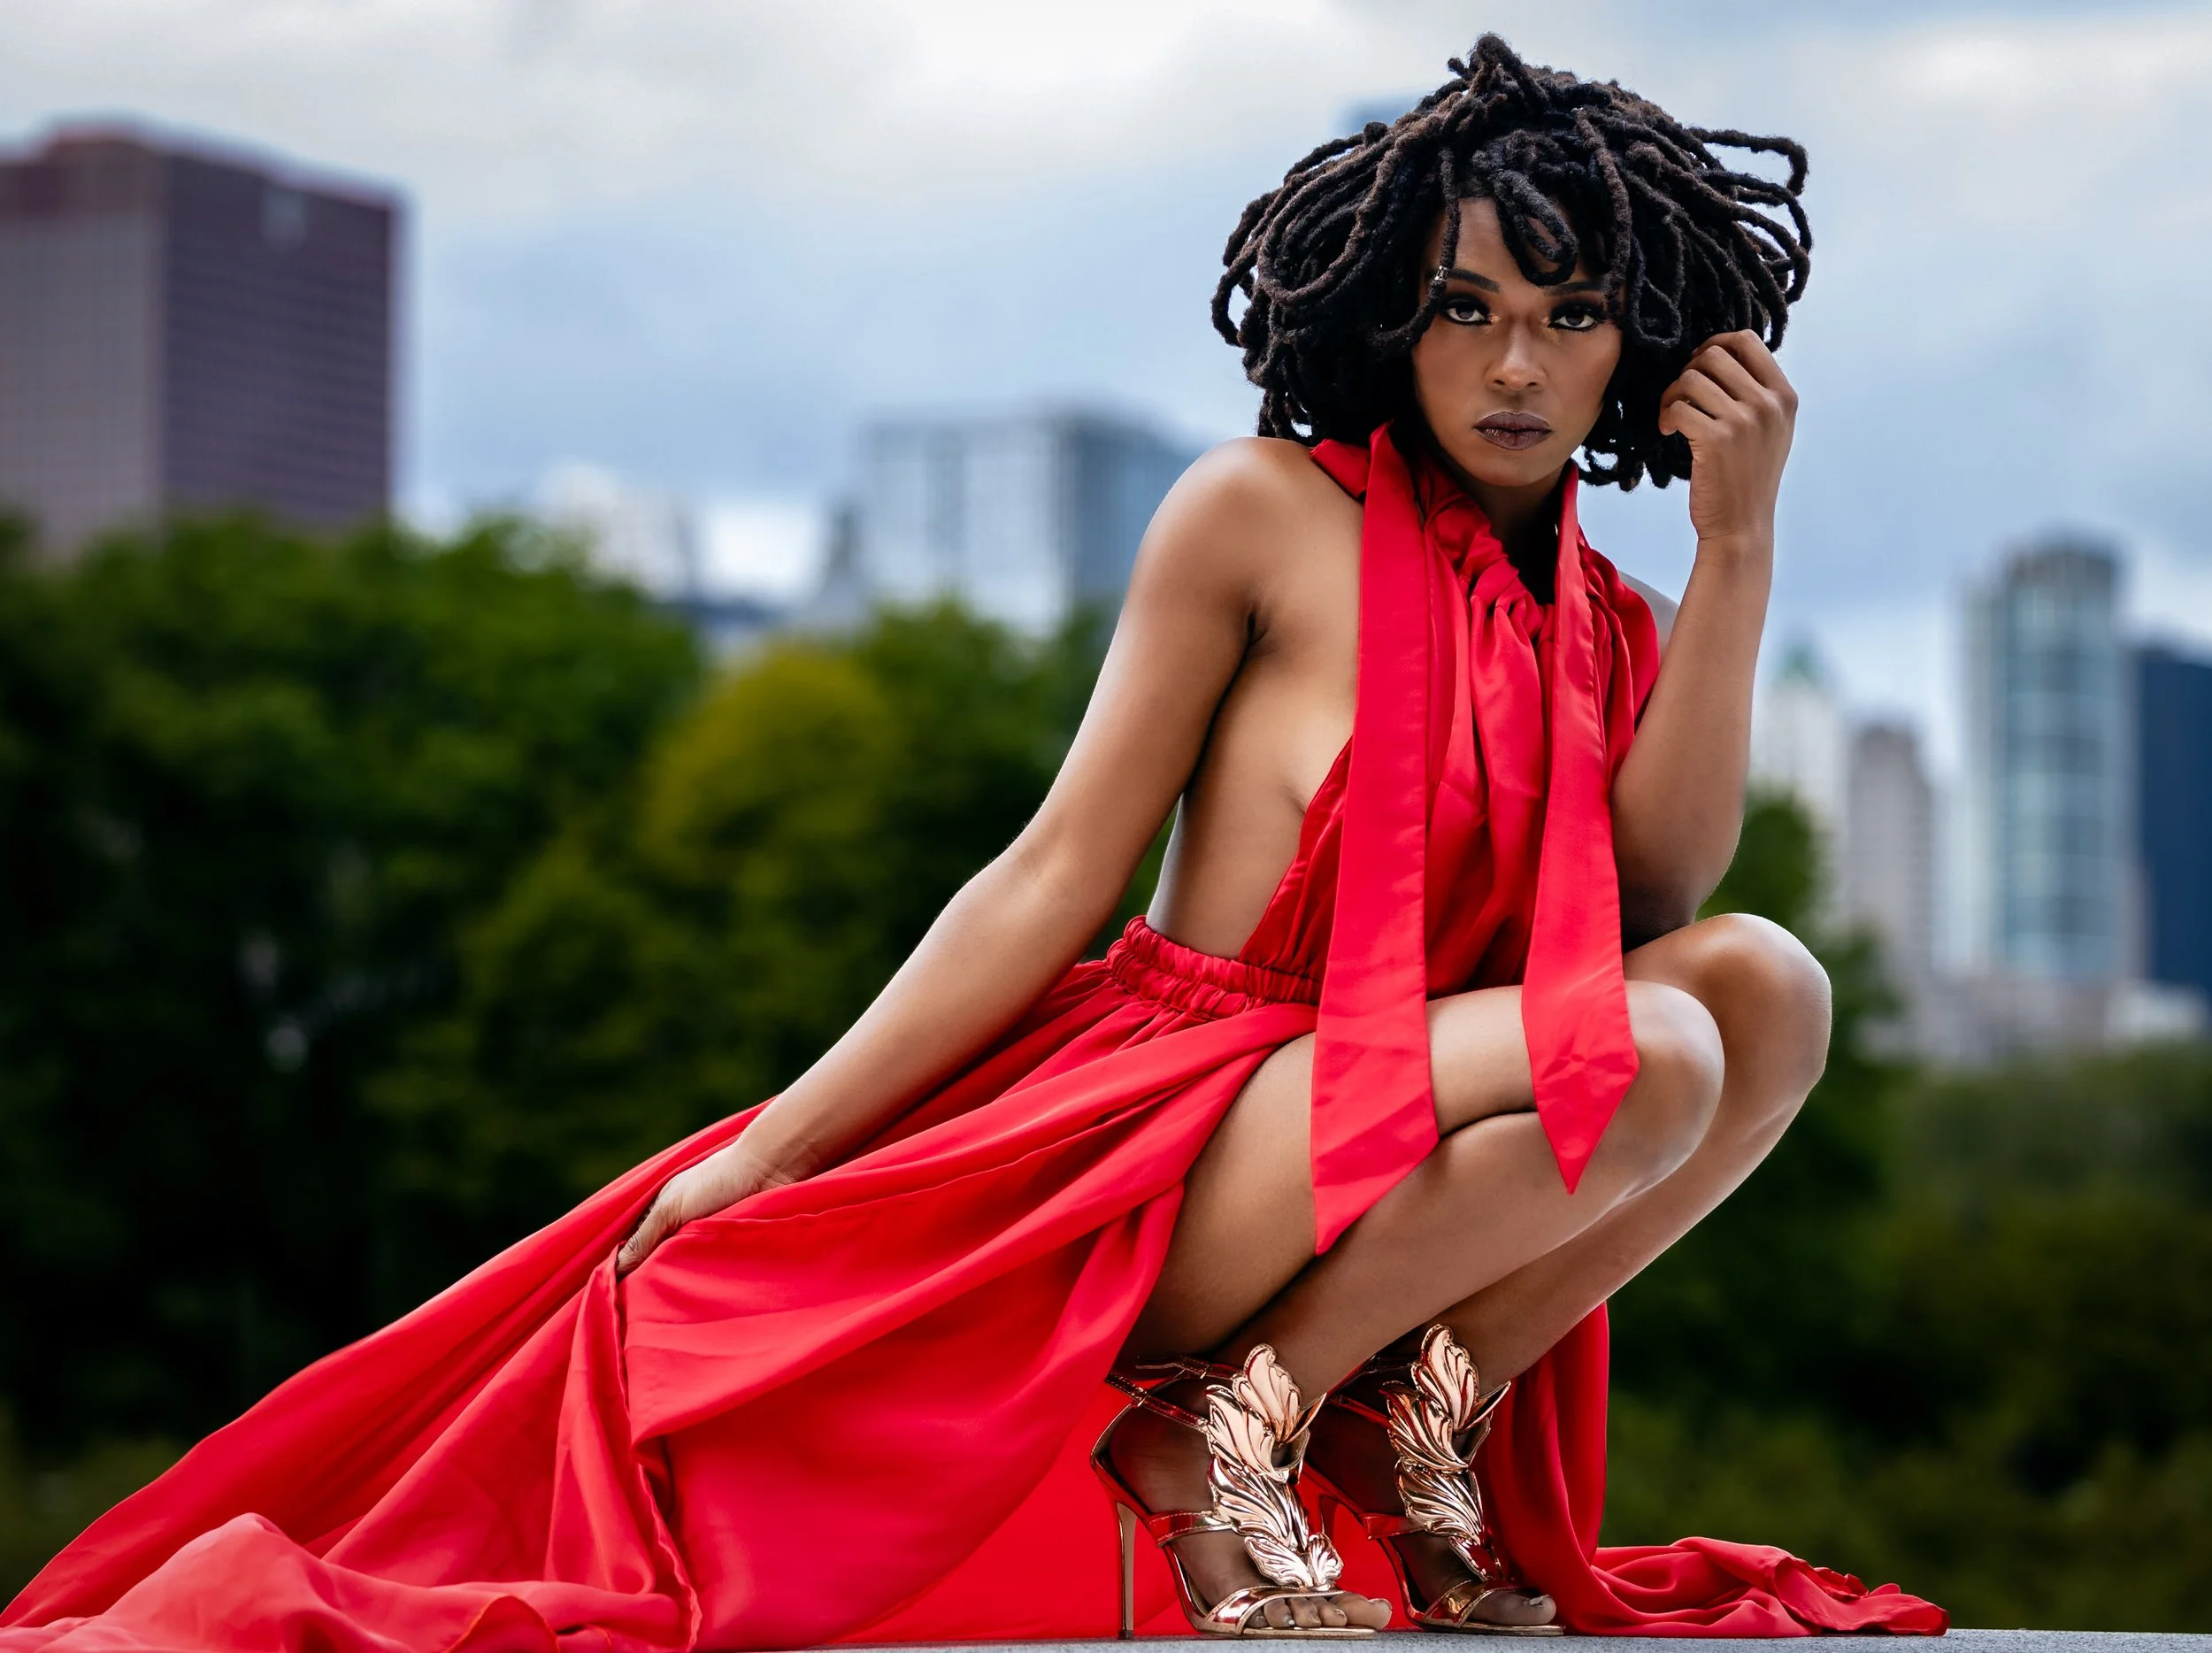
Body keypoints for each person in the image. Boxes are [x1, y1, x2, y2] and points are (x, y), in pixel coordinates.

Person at [3, 34, 1946, 1653]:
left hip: (1428, 1125)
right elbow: (1047, 870)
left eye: (1568, 316)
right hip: (1181, 1131)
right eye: (1465, 310)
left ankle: (1395, 1408)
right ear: (1387, 314)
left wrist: (1732, 547)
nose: (1514, 368)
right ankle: (1218, 1425)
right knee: (1659, 1042)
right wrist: (779, 1143)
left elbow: (1658, 913)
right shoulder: (1258, 517)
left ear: (1647, 344)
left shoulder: (1605, 616)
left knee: (1753, 994)